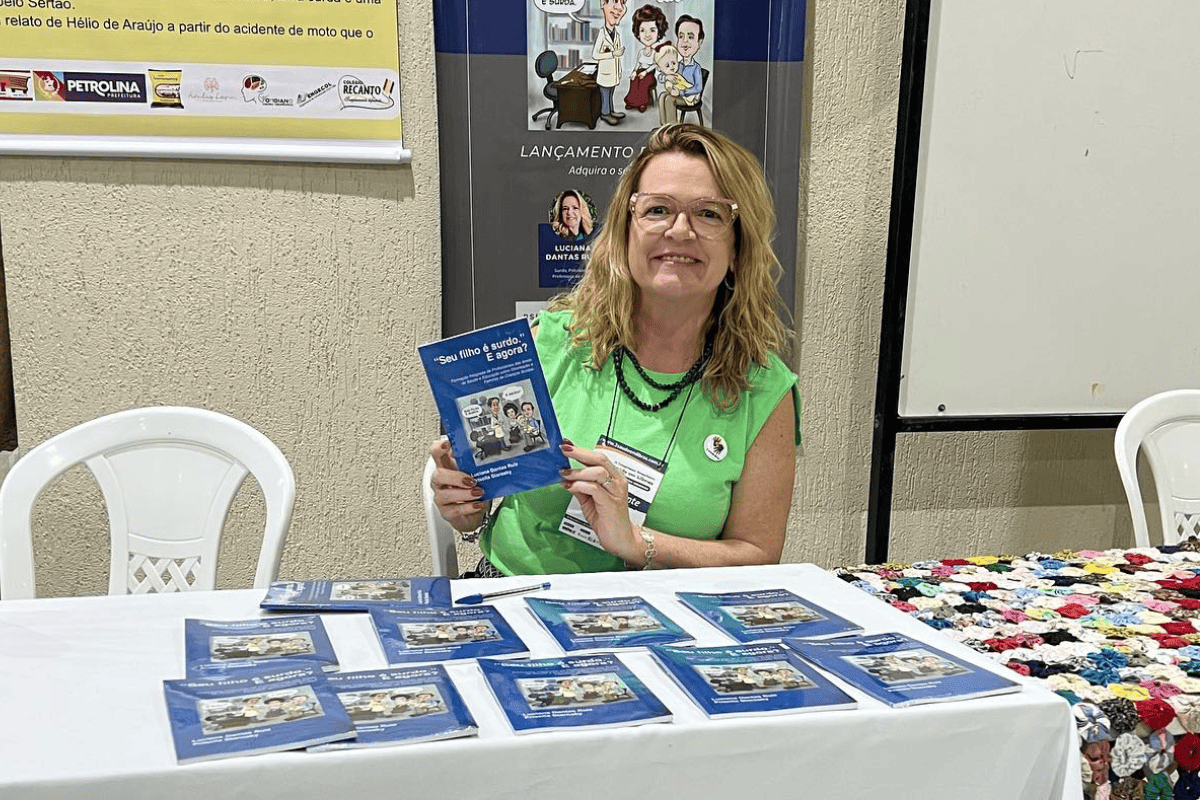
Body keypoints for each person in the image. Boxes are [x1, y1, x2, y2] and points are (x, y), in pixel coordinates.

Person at [431, 123, 800, 576]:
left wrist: (636, 541)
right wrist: (464, 503)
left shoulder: (763, 389)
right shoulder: (550, 343)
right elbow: (480, 499)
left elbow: (757, 553)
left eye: (709, 214)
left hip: (669, 620)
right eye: (658, 209)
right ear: (625, 233)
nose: (680, 231)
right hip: (518, 599)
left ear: (738, 246)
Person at [623, 4, 668, 113]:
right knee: (634, 80)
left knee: (643, 81)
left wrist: (645, 72)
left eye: (652, 30)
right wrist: (634, 72)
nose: (647, 35)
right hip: (640, 71)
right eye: (643, 30)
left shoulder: (654, 53)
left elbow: (655, 65)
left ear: (658, 33)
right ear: (638, 33)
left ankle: (642, 102)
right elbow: (638, 64)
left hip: (649, 74)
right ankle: (632, 102)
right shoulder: (641, 52)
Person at [592, 0, 628, 125]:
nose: (619, 8)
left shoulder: (616, 34)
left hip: (613, 73)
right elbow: (595, 55)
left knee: (611, 94)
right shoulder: (602, 34)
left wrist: (619, 69)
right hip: (605, 74)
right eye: (615, 2)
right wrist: (613, 54)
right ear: (603, 3)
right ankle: (605, 114)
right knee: (606, 95)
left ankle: (611, 111)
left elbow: (616, 57)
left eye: (622, 4)